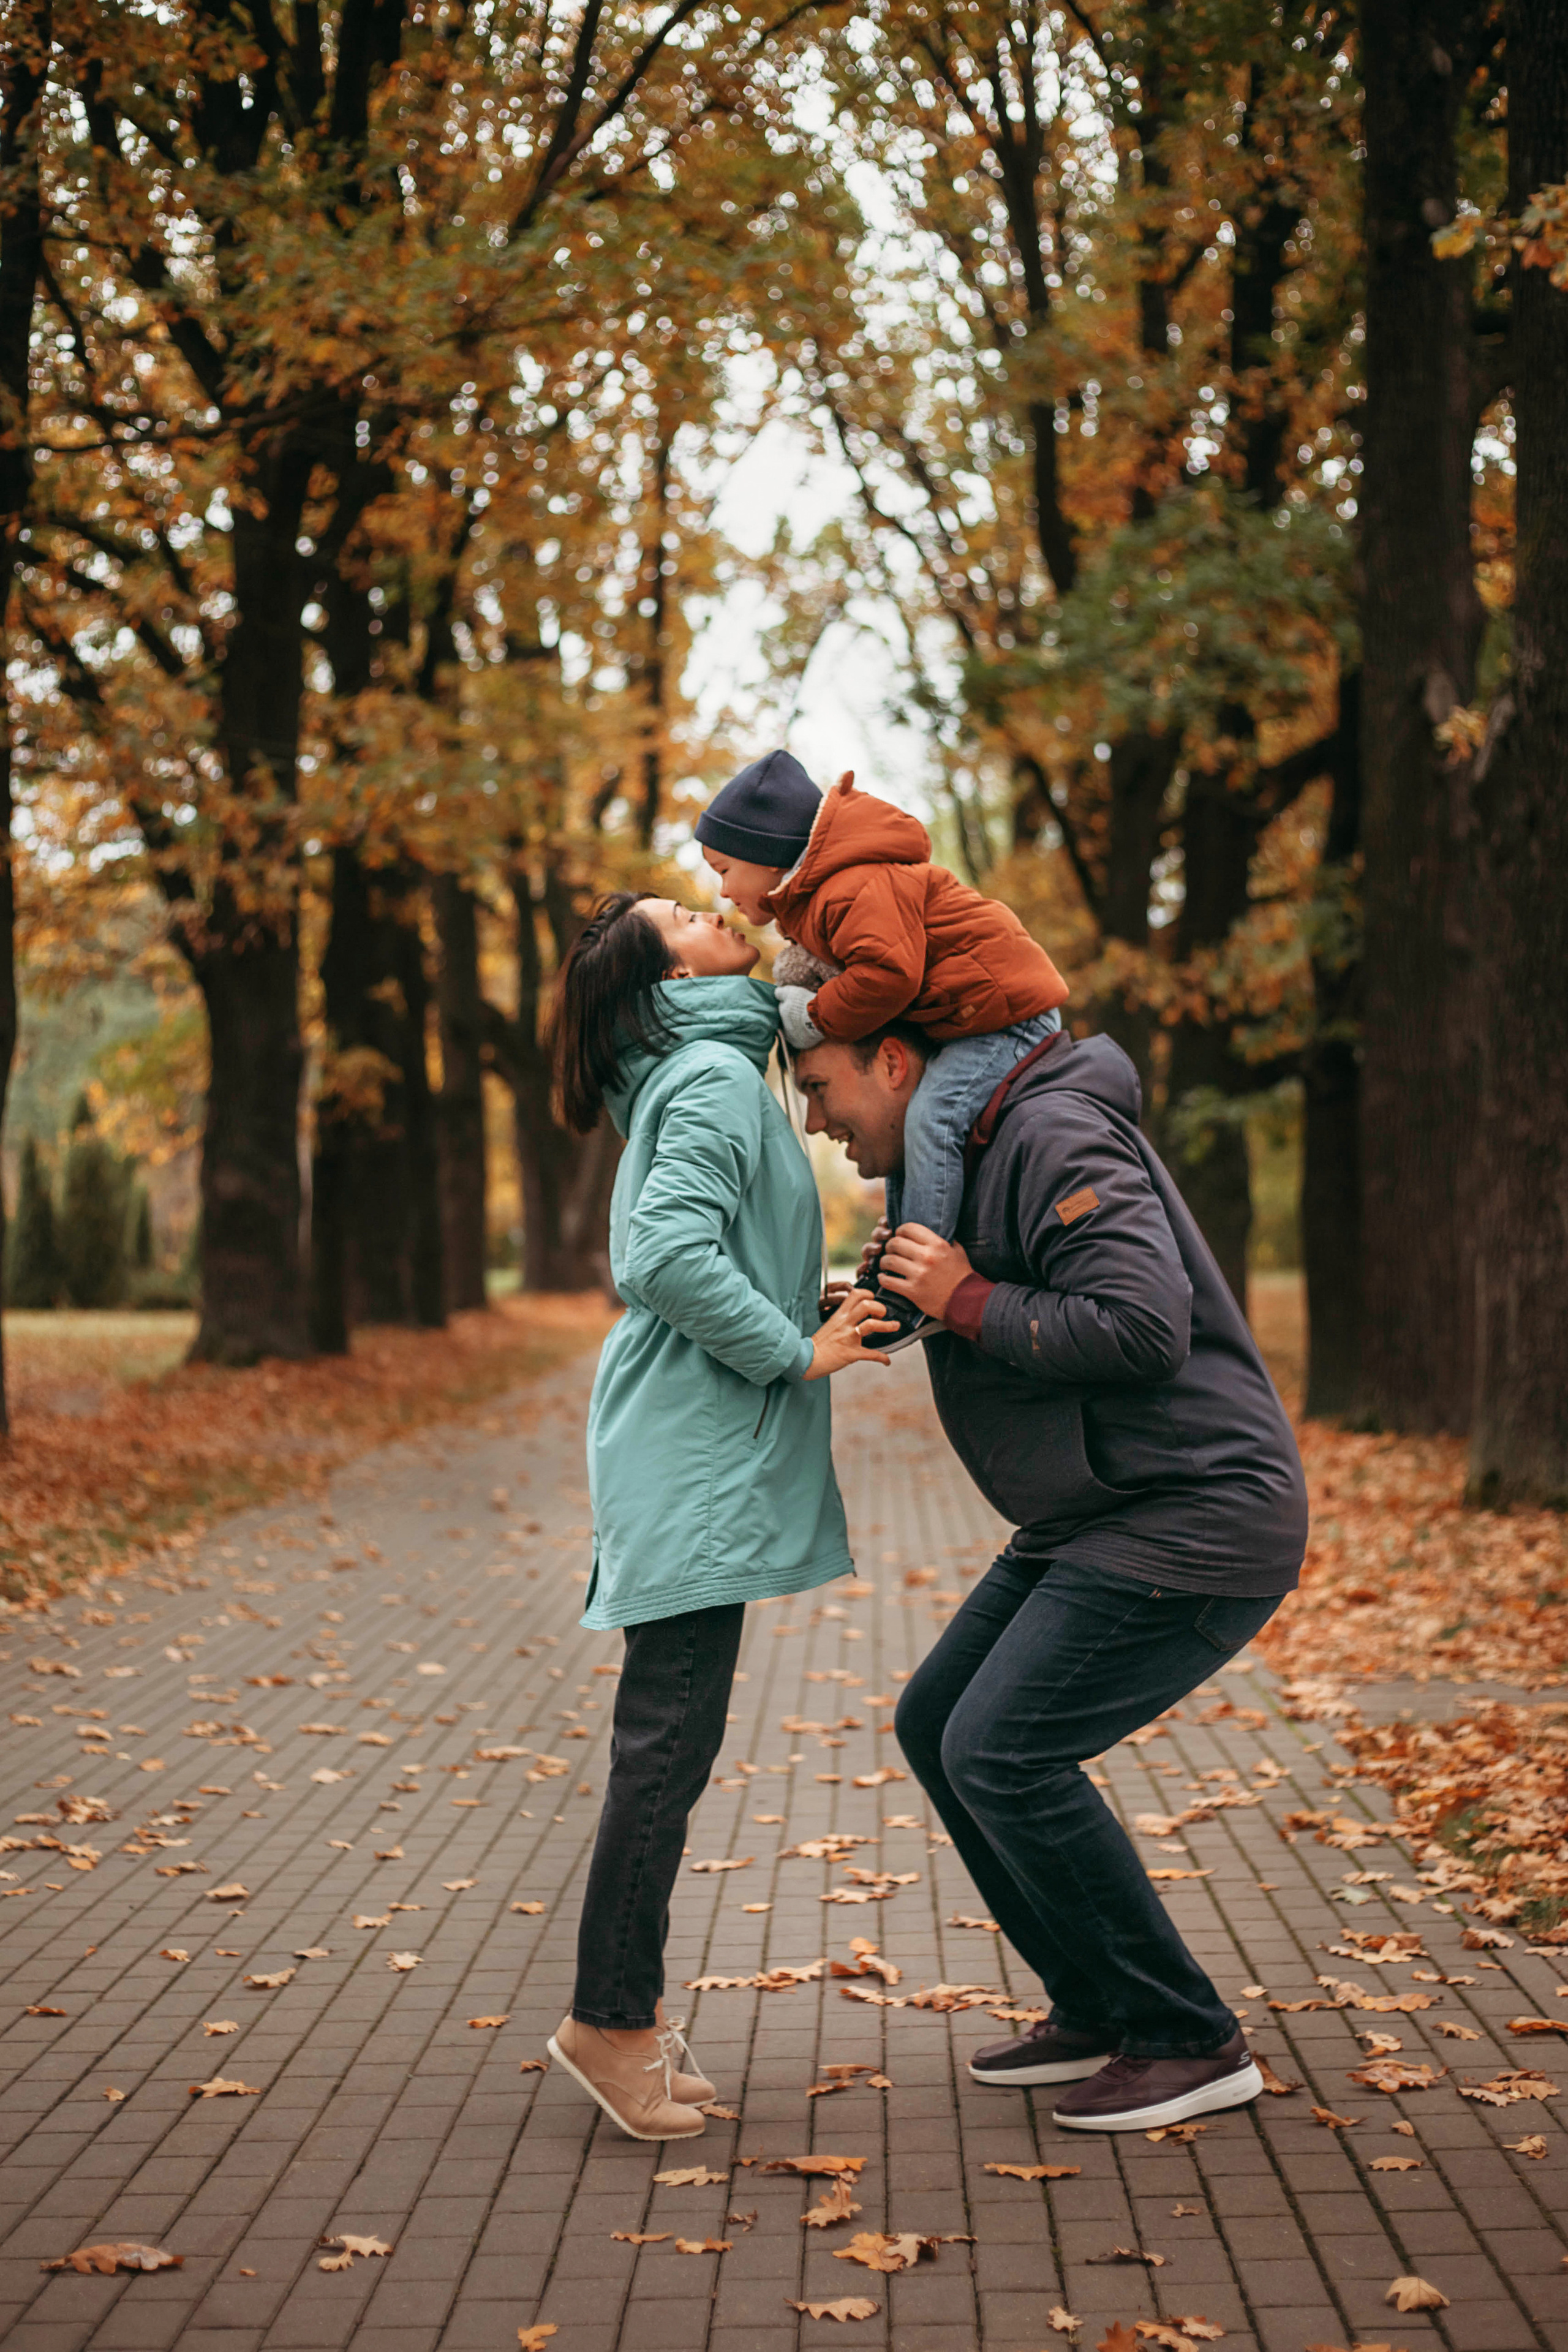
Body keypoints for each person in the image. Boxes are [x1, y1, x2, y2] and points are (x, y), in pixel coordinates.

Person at [790, 1017, 1310, 2133]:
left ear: (894, 1061)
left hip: (1194, 1508)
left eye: (823, 1090)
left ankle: (1185, 2034)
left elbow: (1141, 1329)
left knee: (1003, 1748)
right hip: (1099, 1503)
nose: (818, 1122)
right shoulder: (955, 1161)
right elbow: (964, 1296)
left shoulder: (1050, 1131)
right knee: (938, 1722)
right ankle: (1099, 2000)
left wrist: (968, 1295)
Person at [545, 890, 894, 2143]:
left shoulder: (704, 1065)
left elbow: (713, 1252)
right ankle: (610, 2023)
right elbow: (662, 1258)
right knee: (664, 1750)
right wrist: (795, 1354)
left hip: (688, 1447)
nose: (711, 906)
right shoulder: (706, 1075)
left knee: (669, 1748)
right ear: (663, 972)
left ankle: (620, 2012)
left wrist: (826, 1305)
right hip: (688, 1455)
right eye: (685, 912)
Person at [695, 750, 1069, 1340]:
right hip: (967, 1017)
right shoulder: (824, 898)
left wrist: (816, 1014)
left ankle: (916, 1291)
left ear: (766, 857)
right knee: (905, 1138)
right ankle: (893, 1272)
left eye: (723, 870)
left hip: (1004, 1017)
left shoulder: (853, 886)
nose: (722, 893)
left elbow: (889, 975)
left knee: (933, 1116)